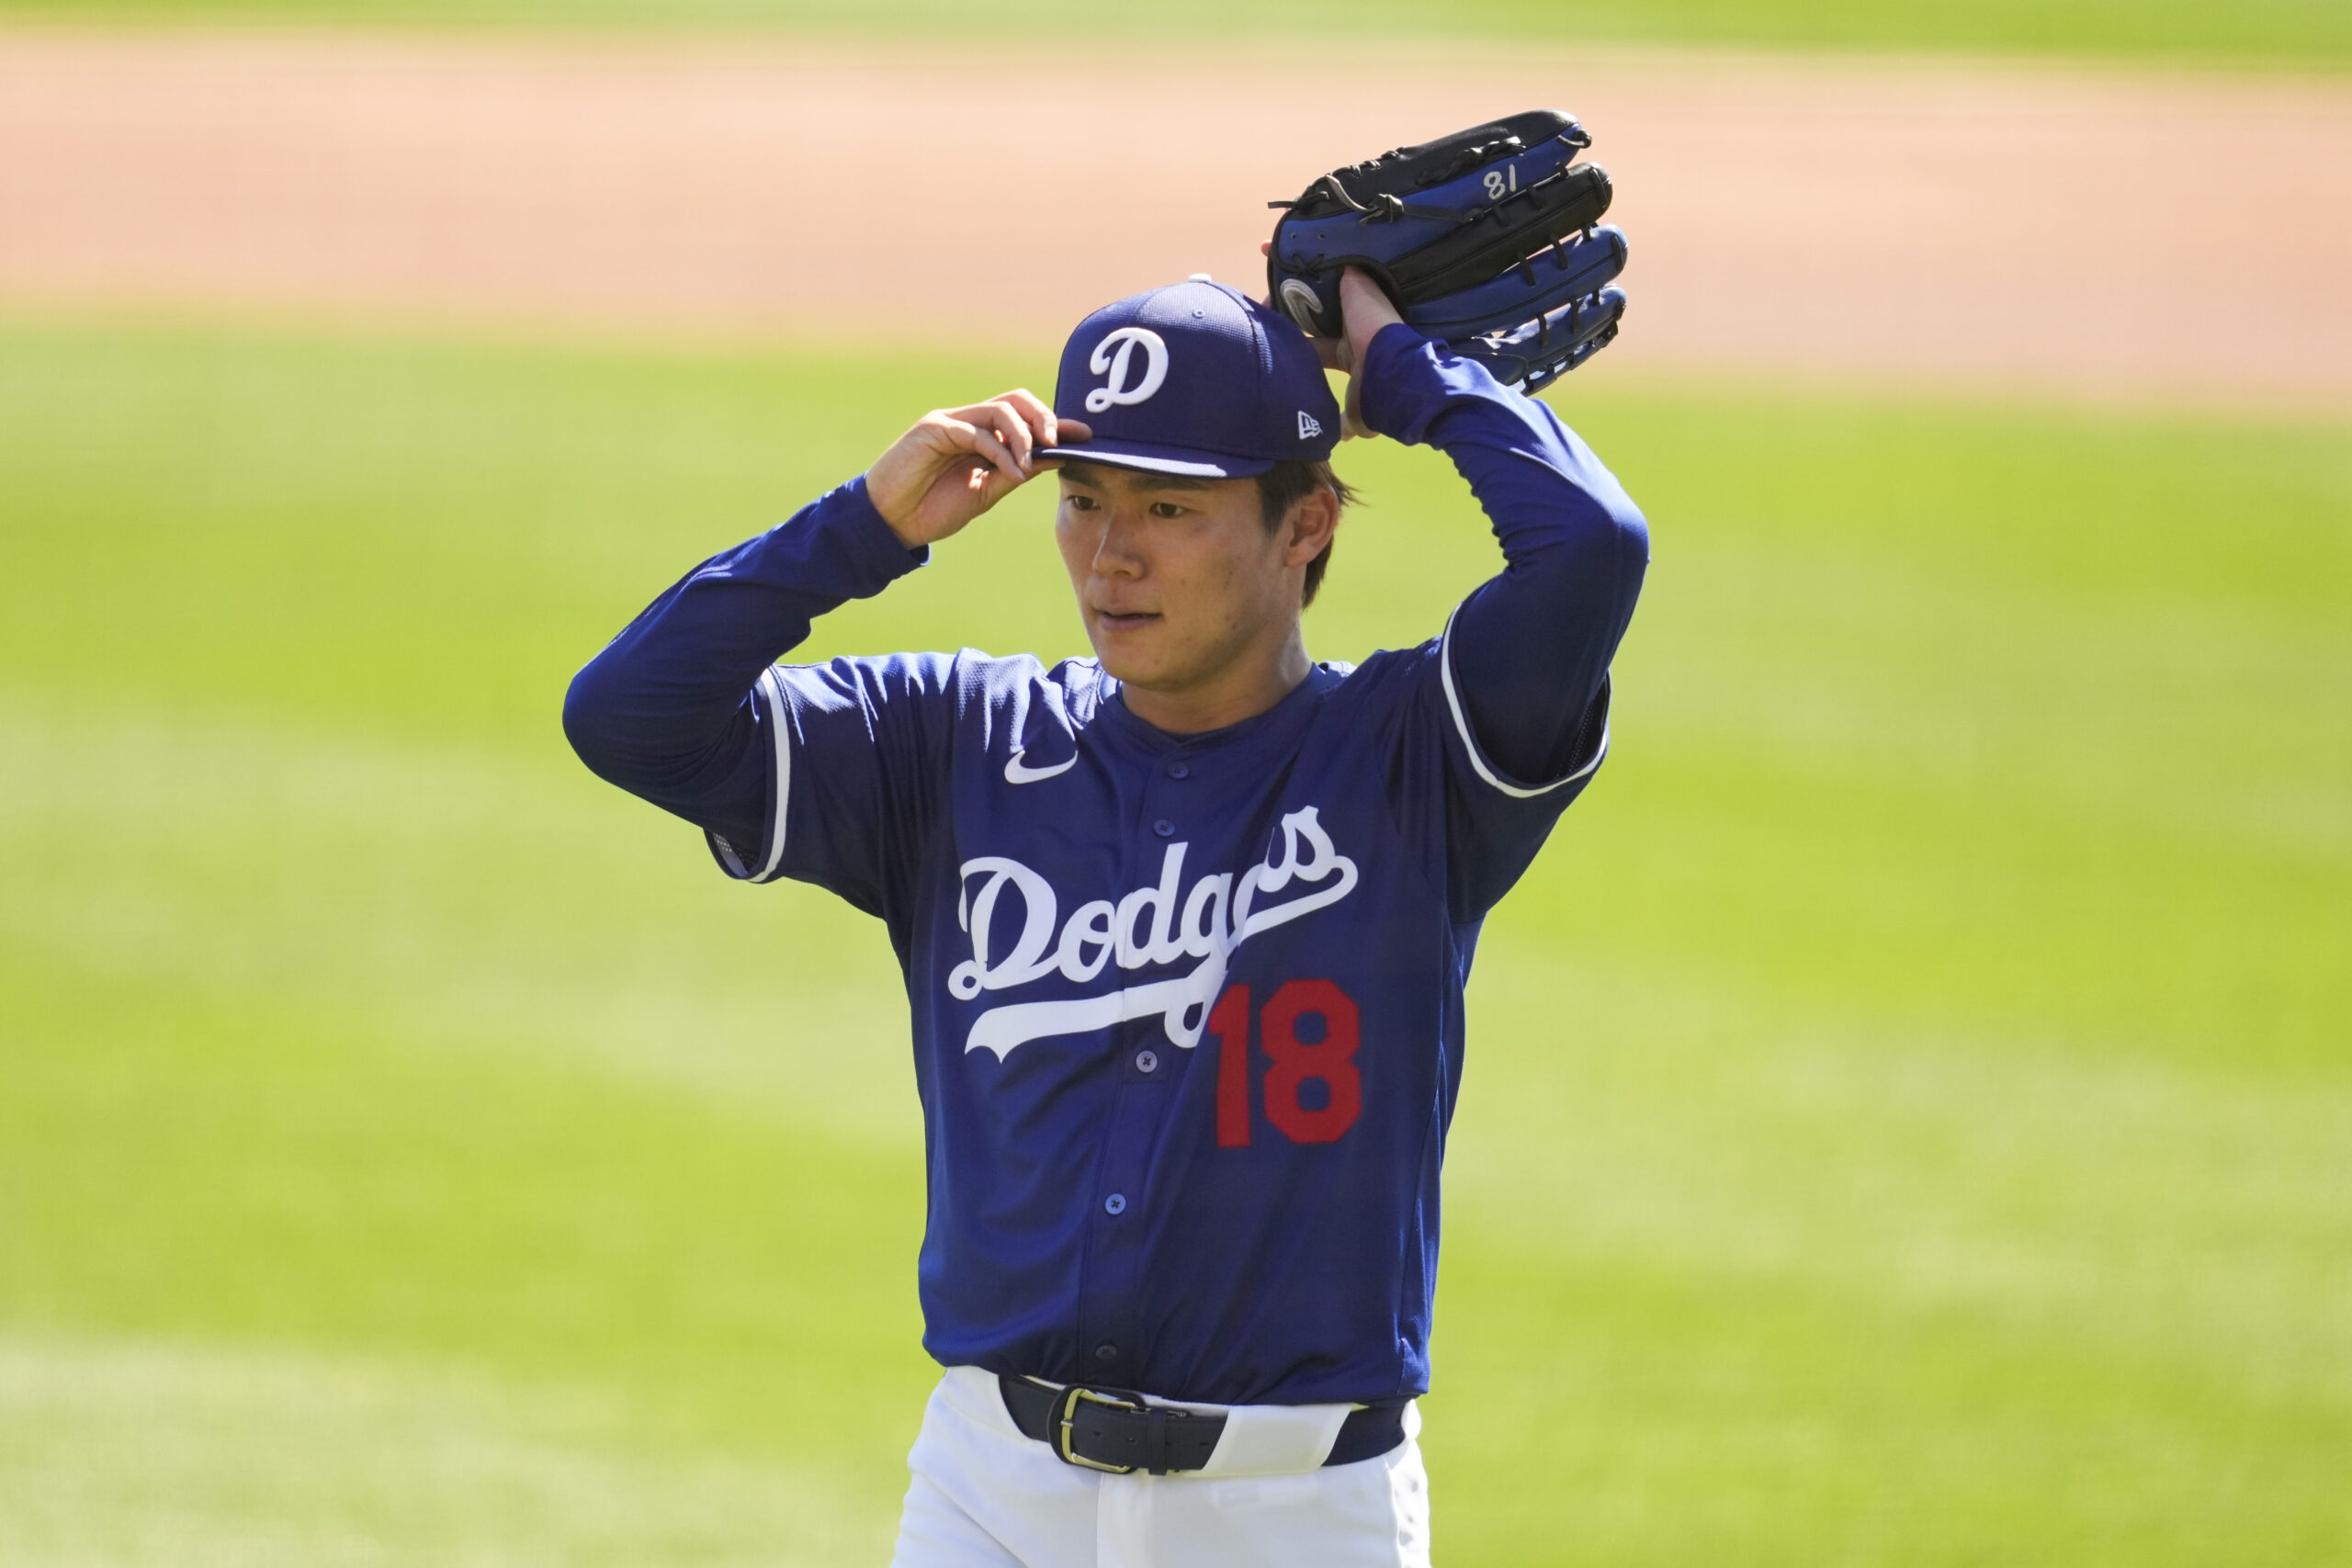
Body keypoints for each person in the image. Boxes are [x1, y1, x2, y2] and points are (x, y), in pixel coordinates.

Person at [563, 265, 1648, 1567]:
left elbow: (1592, 546)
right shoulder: (957, 742)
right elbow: (627, 716)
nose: (1110, 553)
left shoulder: (1419, 754)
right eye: (1083, 500)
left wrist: (1399, 373)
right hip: (991, 1498)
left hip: (1297, 1517)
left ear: (1304, 526)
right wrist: (862, 529)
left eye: (1170, 507)